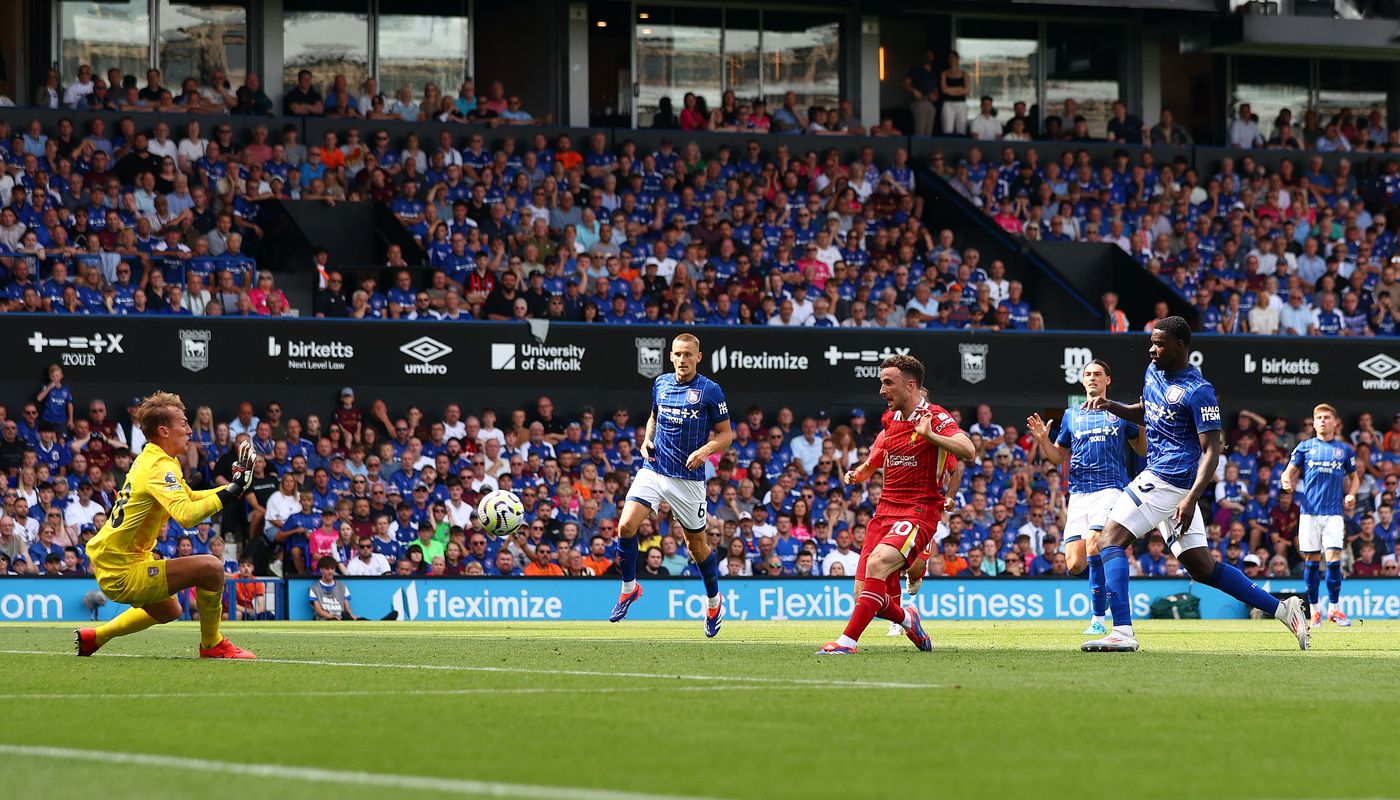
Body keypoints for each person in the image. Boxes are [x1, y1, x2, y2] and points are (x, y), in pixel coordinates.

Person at [1082, 317, 1308, 652]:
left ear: (1180, 346)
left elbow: (1213, 451)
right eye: (1152, 342)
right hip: (1167, 481)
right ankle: (1282, 608)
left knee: (1109, 540)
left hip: (1170, 479)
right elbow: (1148, 412)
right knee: (1202, 566)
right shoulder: (1152, 373)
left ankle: (1122, 631)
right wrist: (1110, 405)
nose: (1152, 349)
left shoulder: (1198, 391)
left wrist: (1190, 499)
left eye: (1160, 344)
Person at [75, 392, 256, 658]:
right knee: (211, 567)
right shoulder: (159, 466)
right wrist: (232, 491)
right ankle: (212, 644)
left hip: (123, 560)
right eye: (183, 423)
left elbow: (190, 497)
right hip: (122, 570)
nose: (188, 429)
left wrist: (231, 489)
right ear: (164, 430)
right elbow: (186, 514)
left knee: (170, 610)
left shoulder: (157, 458)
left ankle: (96, 637)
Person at [817, 355, 974, 655]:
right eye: (881, 382)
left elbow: (967, 449)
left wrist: (931, 435)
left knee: (878, 565)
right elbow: (876, 458)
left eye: (888, 383)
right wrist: (860, 473)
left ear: (910, 385)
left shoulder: (934, 416)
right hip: (884, 512)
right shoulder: (889, 421)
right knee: (865, 596)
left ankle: (846, 643)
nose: (881, 389)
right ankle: (907, 618)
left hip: (917, 511)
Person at [610, 334, 734, 637]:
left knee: (697, 548)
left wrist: (704, 451)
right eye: (678, 354)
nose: (682, 359)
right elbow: (654, 416)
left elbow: (726, 434)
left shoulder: (709, 390)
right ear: (671, 357)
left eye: (688, 355)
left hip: (688, 480)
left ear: (698, 357)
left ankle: (714, 602)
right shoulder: (661, 383)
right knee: (625, 527)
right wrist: (646, 440)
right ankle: (630, 588)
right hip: (654, 469)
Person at [1025, 359, 1145, 637]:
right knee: (1074, 563)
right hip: (1078, 493)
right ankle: (1101, 596)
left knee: (1095, 544)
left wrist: (1140, 422)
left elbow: (1141, 450)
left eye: (1098, 374)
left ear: (1107, 381)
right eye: (1088, 374)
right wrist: (1043, 440)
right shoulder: (1071, 415)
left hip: (1109, 489)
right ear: (1082, 381)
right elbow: (1056, 457)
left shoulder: (1120, 412)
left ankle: (1098, 618)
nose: (1092, 378)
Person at [1280, 404, 1358, 628]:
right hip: (1309, 514)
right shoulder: (1305, 447)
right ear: (1314, 423)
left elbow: (1355, 478)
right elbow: (1288, 473)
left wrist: (1351, 494)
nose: (1323, 421)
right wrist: (1286, 481)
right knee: (1312, 562)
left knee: (1334, 561)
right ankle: (1315, 611)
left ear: (1335, 422)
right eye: (1319, 418)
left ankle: (1334, 609)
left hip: (1333, 514)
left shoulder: (1344, 450)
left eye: (1327, 417)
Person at [309, 555, 360, 620]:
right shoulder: (314, 589)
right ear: (321, 570)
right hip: (325, 620)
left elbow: (347, 608)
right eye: (327, 569)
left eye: (332, 568)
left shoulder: (343, 587)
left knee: (364, 621)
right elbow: (318, 610)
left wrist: (351, 615)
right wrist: (332, 616)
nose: (330, 571)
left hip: (341, 619)